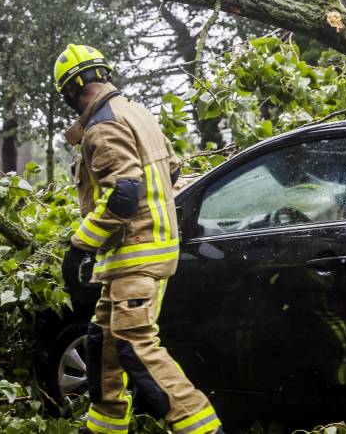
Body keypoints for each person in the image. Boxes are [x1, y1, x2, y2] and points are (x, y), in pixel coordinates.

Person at [54, 44, 223, 434]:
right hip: (134, 256)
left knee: (135, 345)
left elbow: (124, 194)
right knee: (104, 343)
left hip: (137, 255)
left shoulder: (104, 126)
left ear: (71, 90)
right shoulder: (138, 114)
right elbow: (173, 172)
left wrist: (81, 244)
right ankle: (103, 426)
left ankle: (201, 427)